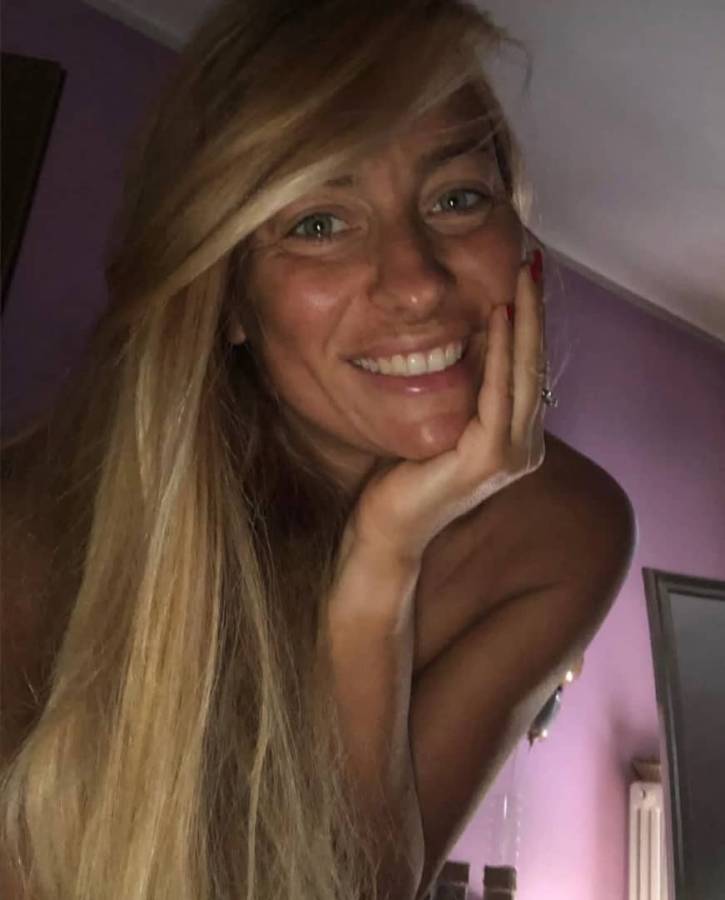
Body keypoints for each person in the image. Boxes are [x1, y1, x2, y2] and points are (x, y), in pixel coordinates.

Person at [0, 1, 636, 898]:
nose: (415, 284)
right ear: (226, 298)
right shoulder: (31, 533)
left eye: (457, 198)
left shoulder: (562, 533)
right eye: (317, 224)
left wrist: (380, 569)